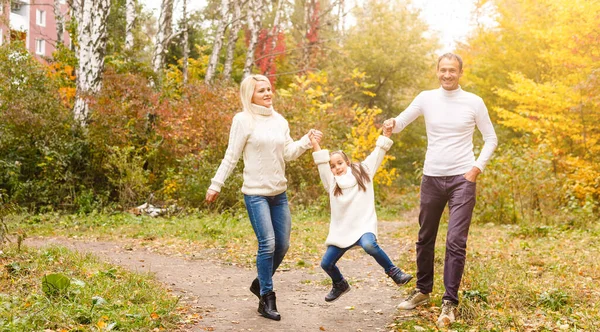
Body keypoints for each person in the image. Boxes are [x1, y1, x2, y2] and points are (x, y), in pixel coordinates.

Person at [384, 53, 498, 327]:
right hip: (432, 178)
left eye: (453, 70)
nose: (447, 75)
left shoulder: (473, 102)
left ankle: (450, 302)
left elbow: (491, 138)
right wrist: (391, 124)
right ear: (437, 71)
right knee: (425, 237)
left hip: (462, 179)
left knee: (455, 241)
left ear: (460, 73)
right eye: (443, 70)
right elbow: (400, 123)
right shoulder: (426, 98)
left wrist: (475, 169)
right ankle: (423, 290)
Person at [205, 74, 323, 321]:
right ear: (250, 95)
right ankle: (267, 299)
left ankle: (260, 282)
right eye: (262, 91)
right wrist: (216, 185)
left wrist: (305, 140)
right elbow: (231, 156)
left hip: (279, 194)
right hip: (255, 194)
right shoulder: (243, 120)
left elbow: (288, 153)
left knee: (283, 245)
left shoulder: (280, 120)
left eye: (269, 89)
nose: (268, 94)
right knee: (267, 243)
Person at [309, 121, 413, 303]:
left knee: (370, 245)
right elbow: (321, 164)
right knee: (326, 263)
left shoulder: (363, 172)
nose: (336, 168)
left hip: (364, 226)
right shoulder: (332, 183)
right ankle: (340, 284)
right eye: (332, 166)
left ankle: (394, 272)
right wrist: (315, 144)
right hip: (343, 231)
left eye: (340, 163)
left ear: (347, 162)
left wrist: (386, 134)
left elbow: (378, 153)